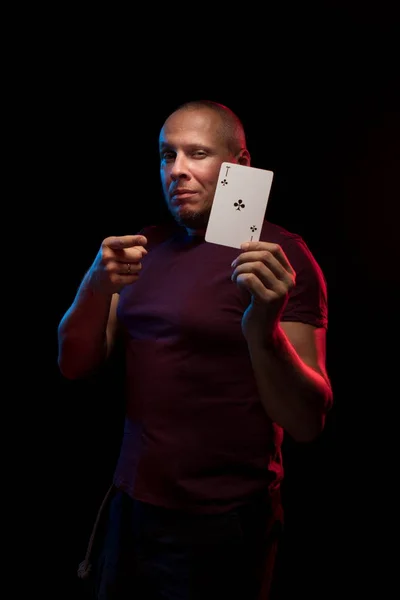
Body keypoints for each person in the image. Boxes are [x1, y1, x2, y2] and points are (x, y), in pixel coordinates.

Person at [58, 99, 333, 599]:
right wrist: (93, 286)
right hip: (132, 506)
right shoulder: (142, 246)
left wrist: (263, 325)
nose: (177, 171)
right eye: (167, 155)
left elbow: (307, 421)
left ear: (239, 166)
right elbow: (74, 364)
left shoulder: (281, 257)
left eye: (197, 153)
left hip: (226, 523)